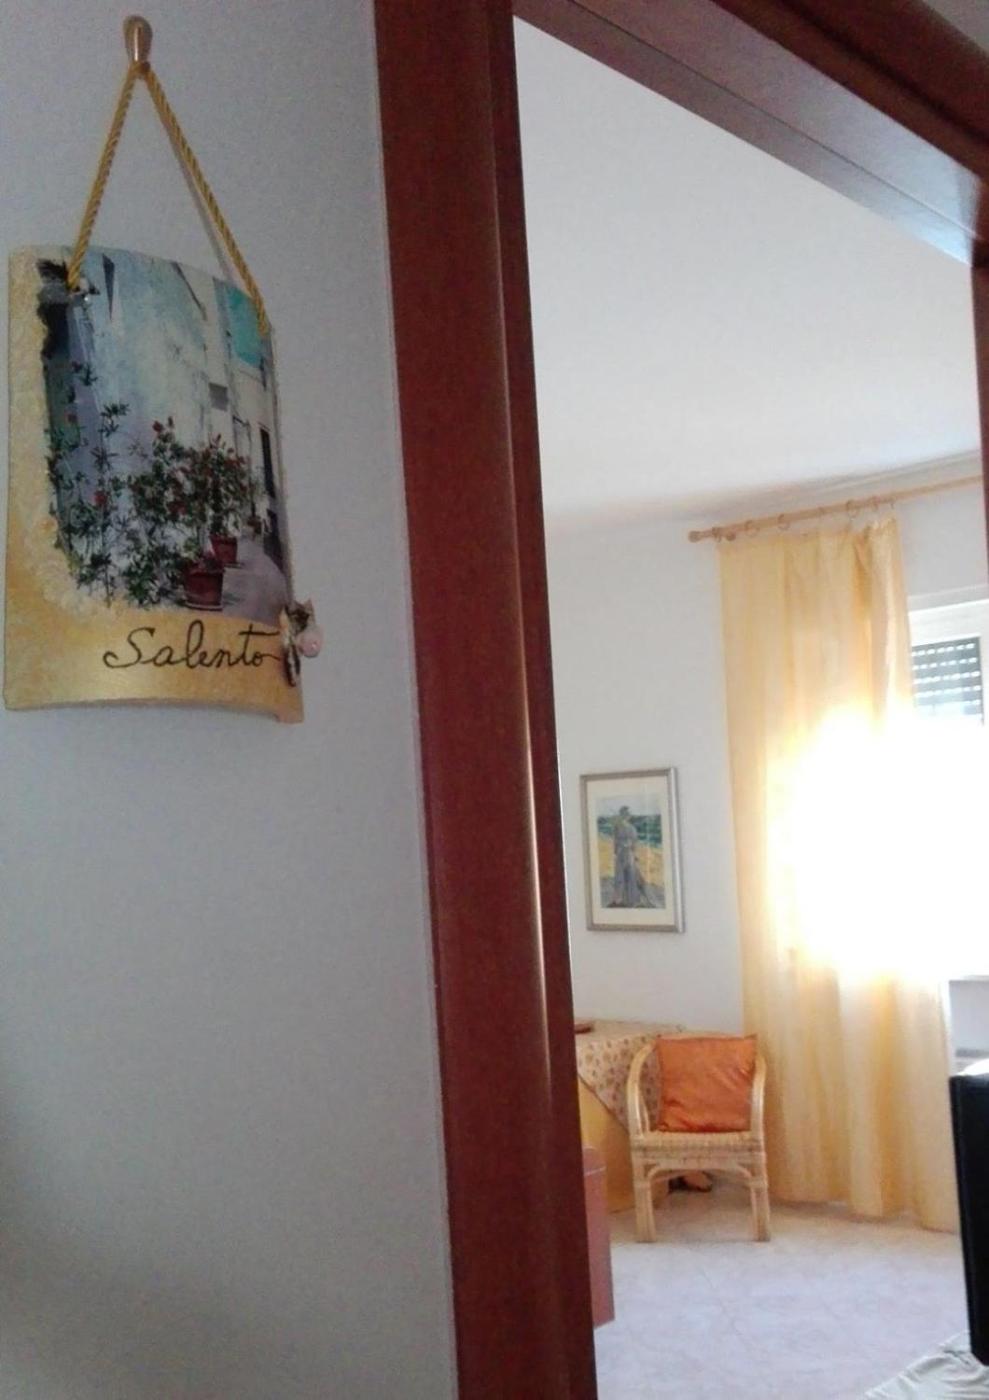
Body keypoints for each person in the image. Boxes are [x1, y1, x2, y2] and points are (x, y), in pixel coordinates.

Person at [609, 805, 651, 907]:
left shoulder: (619, 827)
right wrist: (633, 854)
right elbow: (633, 844)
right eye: (628, 814)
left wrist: (616, 852)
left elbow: (616, 843)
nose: (629, 815)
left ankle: (621, 899)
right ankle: (629, 900)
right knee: (629, 877)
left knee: (622, 877)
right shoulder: (631, 828)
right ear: (626, 815)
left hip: (622, 854)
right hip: (627, 854)